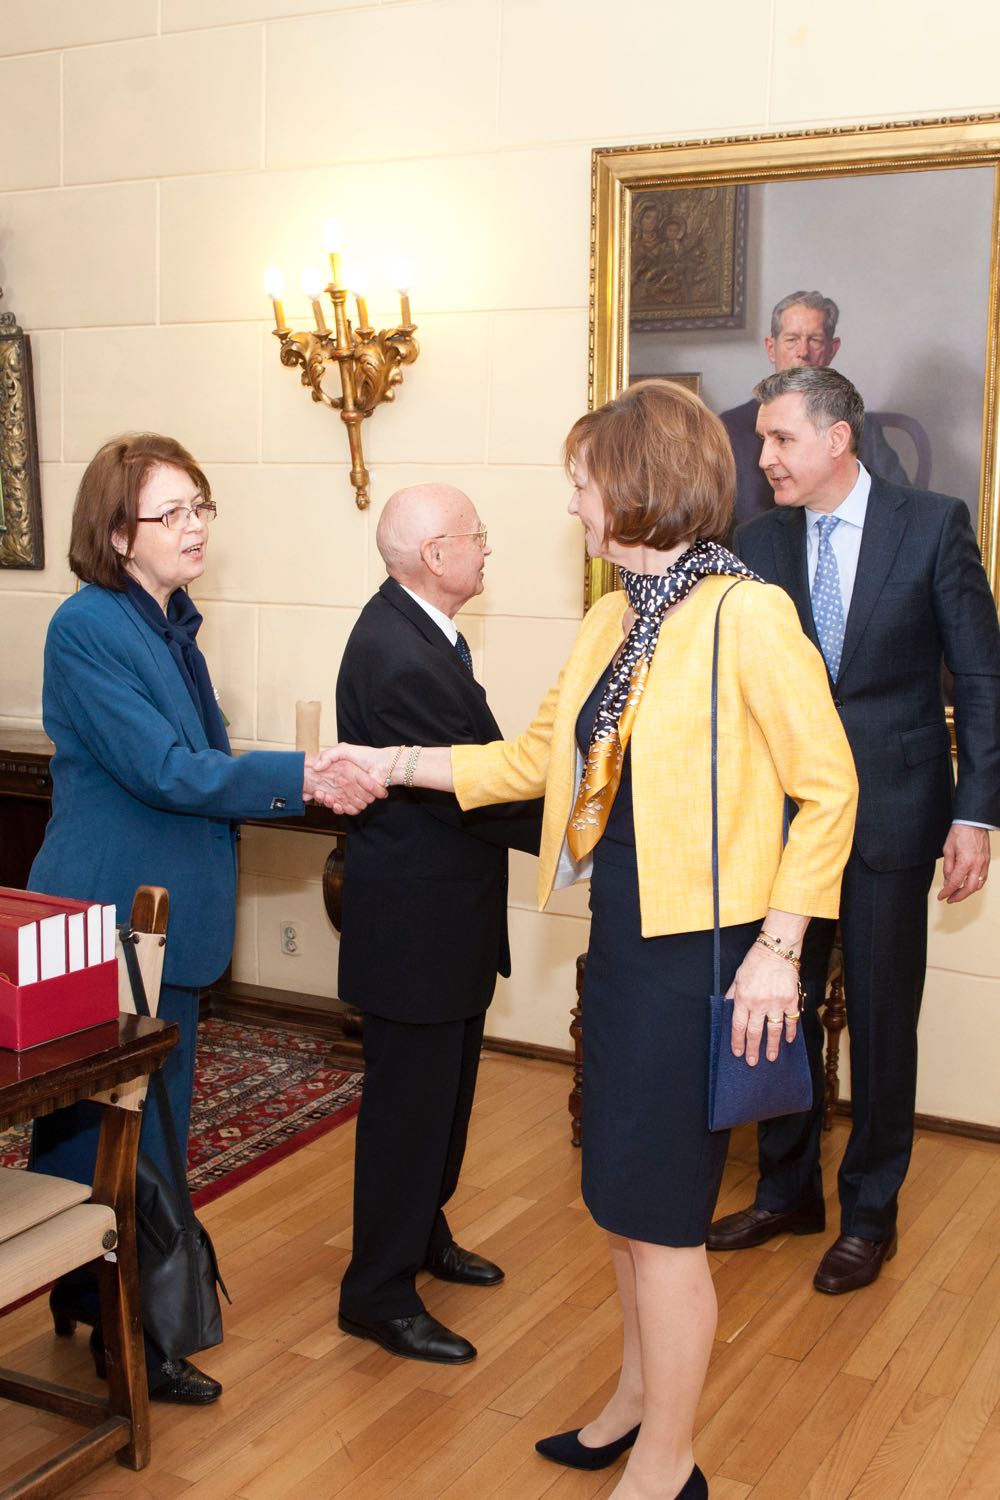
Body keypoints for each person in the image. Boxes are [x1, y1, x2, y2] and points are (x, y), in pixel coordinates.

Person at [318, 383, 858, 1500]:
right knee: (619, 1205)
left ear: (636, 485)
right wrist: (393, 763)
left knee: (661, 1223)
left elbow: (830, 789)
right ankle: (628, 1404)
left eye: (579, 484)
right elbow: (528, 762)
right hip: (622, 946)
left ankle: (669, 1461)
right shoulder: (614, 618)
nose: (570, 507)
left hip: (703, 958)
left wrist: (779, 946)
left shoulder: (743, 615)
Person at [28, 432, 383, 1404]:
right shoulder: (91, 626)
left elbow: (189, 768)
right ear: (114, 531)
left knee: (135, 1119)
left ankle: (95, 1297)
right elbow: (163, 772)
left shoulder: (167, 622)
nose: (195, 527)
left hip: (157, 917)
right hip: (106, 913)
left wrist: (292, 777)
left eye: (201, 507)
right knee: (114, 1126)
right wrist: (300, 776)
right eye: (172, 512)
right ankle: (130, 1323)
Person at [709, 366, 1000, 1294]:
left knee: (881, 1022)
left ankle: (871, 1212)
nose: (765, 458)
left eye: (781, 439)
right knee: (775, 1014)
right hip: (787, 826)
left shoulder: (933, 524)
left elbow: (983, 681)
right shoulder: (755, 544)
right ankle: (788, 1190)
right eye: (762, 440)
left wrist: (976, 812)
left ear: (839, 439)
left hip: (895, 817)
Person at [333, 483, 543, 1366]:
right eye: (478, 535)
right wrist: (589, 837)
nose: (488, 549)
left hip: (442, 921)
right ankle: (377, 1292)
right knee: (409, 1115)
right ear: (436, 556)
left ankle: (421, 1234)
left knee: (444, 1103)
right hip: (415, 928)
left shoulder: (420, 632)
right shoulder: (401, 653)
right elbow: (474, 788)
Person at [721, 290, 908, 526]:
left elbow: (900, 508)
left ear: (832, 349)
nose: (803, 352)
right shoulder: (729, 428)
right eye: (791, 340)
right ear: (771, 348)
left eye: (815, 340)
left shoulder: (863, 427)